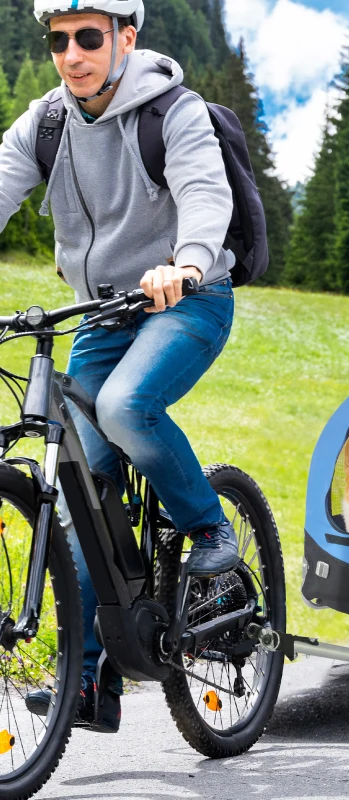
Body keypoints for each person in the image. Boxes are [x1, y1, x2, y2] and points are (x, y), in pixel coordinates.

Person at [0, 0, 240, 732]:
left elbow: (204, 193)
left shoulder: (173, 111)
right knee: (80, 487)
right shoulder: (45, 125)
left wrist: (187, 263)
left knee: (125, 406)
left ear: (125, 38)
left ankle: (212, 532)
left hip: (188, 299)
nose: (71, 54)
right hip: (102, 314)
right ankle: (89, 680)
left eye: (88, 37)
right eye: (59, 40)